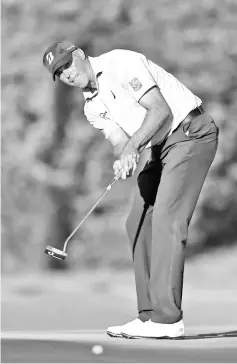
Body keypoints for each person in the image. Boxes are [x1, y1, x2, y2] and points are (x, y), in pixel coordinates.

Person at [43, 41, 219, 339]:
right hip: (157, 148)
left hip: (190, 134)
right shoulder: (92, 107)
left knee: (167, 218)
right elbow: (119, 140)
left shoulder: (120, 63)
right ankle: (149, 315)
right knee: (136, 219)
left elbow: (160, 110)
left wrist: (133, 148)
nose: (66, 74)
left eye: (66, 65)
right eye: (58, 73)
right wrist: (124, 157)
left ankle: (168, 320)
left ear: (79, 55)